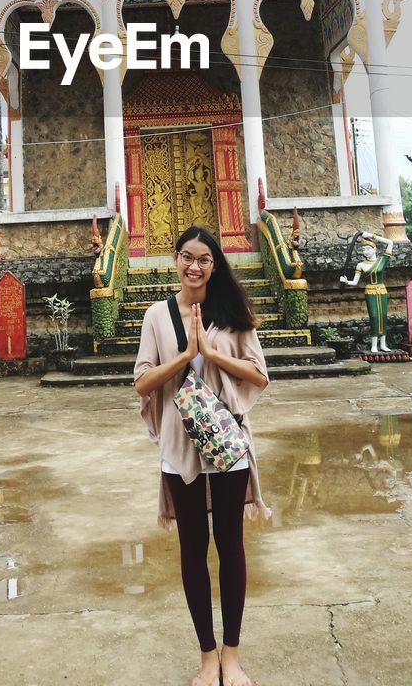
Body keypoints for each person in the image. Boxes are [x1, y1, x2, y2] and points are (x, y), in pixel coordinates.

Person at [134, 226, 269, 686]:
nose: (194, 266)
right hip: (179, 445)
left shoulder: (233, 312)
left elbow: (259, 374)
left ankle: (232, 655)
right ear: (175, 259)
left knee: (229, 545)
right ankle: (207, 657)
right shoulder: (156, 316)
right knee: (193, 548)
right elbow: (142, 382)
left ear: (215, 265)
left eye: (204, 259)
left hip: (227, 440)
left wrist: (210, 351)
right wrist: (186, 355)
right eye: (187, 257)